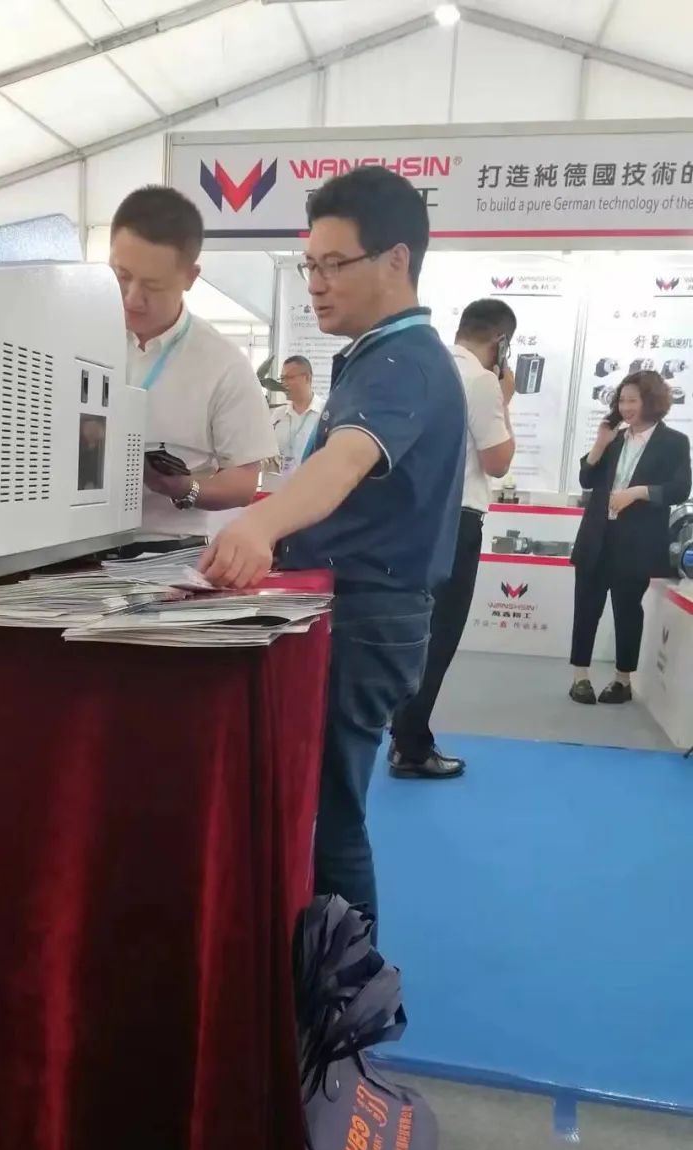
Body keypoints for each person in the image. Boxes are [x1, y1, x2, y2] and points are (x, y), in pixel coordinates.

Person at [200, 168, 467, 921]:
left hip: (366, 613)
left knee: (331, 817)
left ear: (396, 260)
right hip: (358, 607)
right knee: (323, 807)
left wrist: (260, 525)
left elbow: (347, 459)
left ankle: (345, 980)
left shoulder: (402, 362)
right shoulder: (381, 356)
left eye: (334, 264)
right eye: (309, 265)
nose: (316, 284)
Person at [388, 298, 517, 778]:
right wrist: (505, 400)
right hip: (457, 519)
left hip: (413, 517)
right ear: (501, 342)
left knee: (415, 632)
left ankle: (402, 735)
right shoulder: (482, 382)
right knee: (440, 636)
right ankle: (411, 746)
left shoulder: (429, 369)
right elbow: (498, 462)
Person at [108, 186, 275, 542]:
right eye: (121, 276)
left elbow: (244, 482)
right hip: (68, 551)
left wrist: (185, 488)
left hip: (167, 550)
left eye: (152, 285)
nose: (132, 298)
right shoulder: (72, 335)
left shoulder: (223, 365)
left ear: (190, 277)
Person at [569, 371, 691, 704]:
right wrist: (599, 443)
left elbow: (680, 489)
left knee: (627, 611)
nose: (625, 407)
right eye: (621, 400)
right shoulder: (615, 438)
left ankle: (622, 680)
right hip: (597, 537)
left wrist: (638, 492)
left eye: (632, 400)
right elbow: (586, 478)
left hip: (636, 542)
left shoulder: (674, 442)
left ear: (651, 401)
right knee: (586, 608)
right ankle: (580, 676)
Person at [268, 355, 322, 489]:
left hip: (311, 491)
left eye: (289, 378)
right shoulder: (278, 415)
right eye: (282, 378)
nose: (284, 383)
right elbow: (269, 455)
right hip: (276, 491)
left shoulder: (325, 414)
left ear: (307, 378)